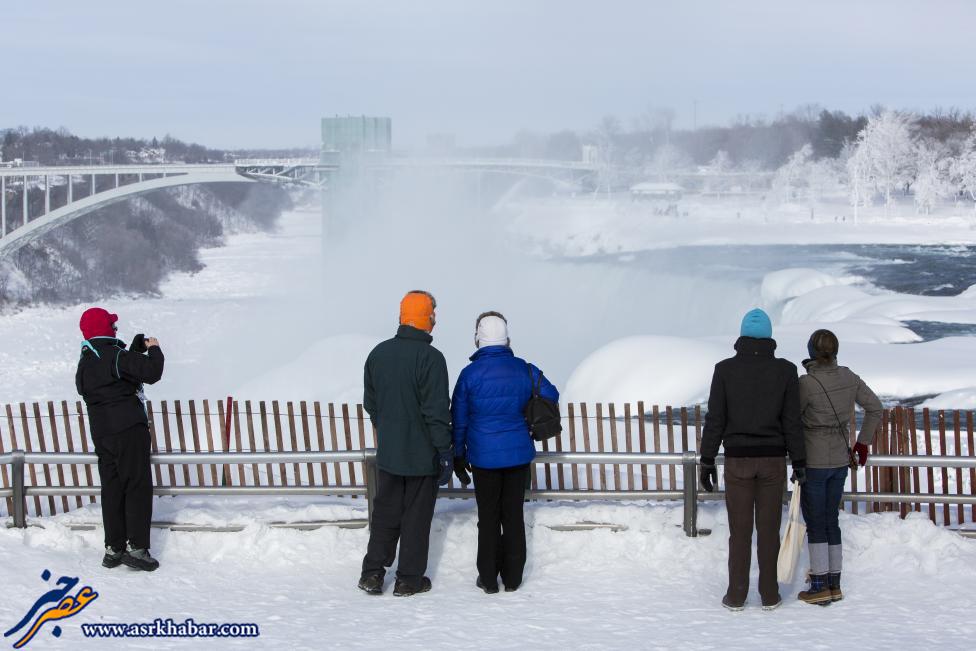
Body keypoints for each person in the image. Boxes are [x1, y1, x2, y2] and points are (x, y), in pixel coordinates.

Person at [699, 308, 806, 611]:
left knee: (740, 531)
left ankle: (736, 595)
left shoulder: (724, 370)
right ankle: (770, 595)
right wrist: (799, 462)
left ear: (742, 336)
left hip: (738, 462)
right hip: (773, 462)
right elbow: (792, 422)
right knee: (769, 530)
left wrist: (707, 460)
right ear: (770, 337)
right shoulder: (785, 371)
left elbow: (716, 419)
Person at [450, 312, 558, 594]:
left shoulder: (469, 375)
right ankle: (513, 578)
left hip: (483, 458)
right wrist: (524, 411)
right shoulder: (524, 369)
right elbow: (552, 393)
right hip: (518, 455)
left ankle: (487, 579)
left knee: (488, 517)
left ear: (478, 340)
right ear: (507, 338)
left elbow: (459, 419)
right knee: (513, 515)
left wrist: (459, 455)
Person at [359, 290, 453, 597]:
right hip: (422, 456)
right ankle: (408, 579)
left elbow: (370, 403)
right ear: (427, 319)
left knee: (386, 513)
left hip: (390, 453)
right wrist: (444, 451)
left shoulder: (378, 354)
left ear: (402, 317)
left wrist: (387, 429)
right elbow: (436, 412)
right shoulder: (432, 359)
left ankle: (372, 574)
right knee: (416, 517)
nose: (435, 320)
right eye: (433, 315)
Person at [75, 307, 164, 572]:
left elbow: (120, 374)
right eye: (112, 326)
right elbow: (151, 372)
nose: (116, 329)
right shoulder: (113, 355)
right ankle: (137, 549)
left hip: (102, 434)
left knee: (112, 489)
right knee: (136, 486)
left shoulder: (86, 361)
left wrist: (133, 351)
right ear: (106, 329)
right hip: (128, 429)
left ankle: (113, 549)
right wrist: (155, 349)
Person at [796, 328, 881, 605]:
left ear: (811, 352)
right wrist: (862, 443)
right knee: (831, 519)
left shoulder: (806, 384)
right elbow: (875, 408)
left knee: (816, 521)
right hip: (840, 461)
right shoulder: (849, 376)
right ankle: (835, 583)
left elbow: (791, 418)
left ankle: (819, 584)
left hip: (815, 459)